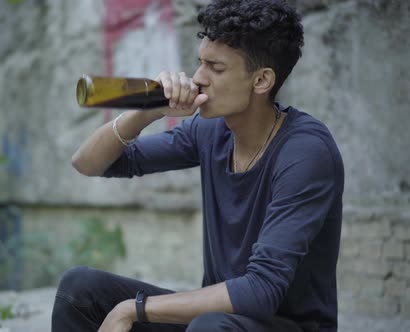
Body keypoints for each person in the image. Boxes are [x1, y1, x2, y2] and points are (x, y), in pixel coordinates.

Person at [51, 0, 344, 331]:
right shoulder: (211, 131)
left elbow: (261, 291)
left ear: (261, 80)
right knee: (79, 290)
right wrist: (147, 110)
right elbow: (89, 163)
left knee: (208, 326)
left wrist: (133, 309)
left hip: (283, 325)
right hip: (217, 322)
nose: (198, 78)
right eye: (199, 63)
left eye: (216, 69)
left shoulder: (306, 153)